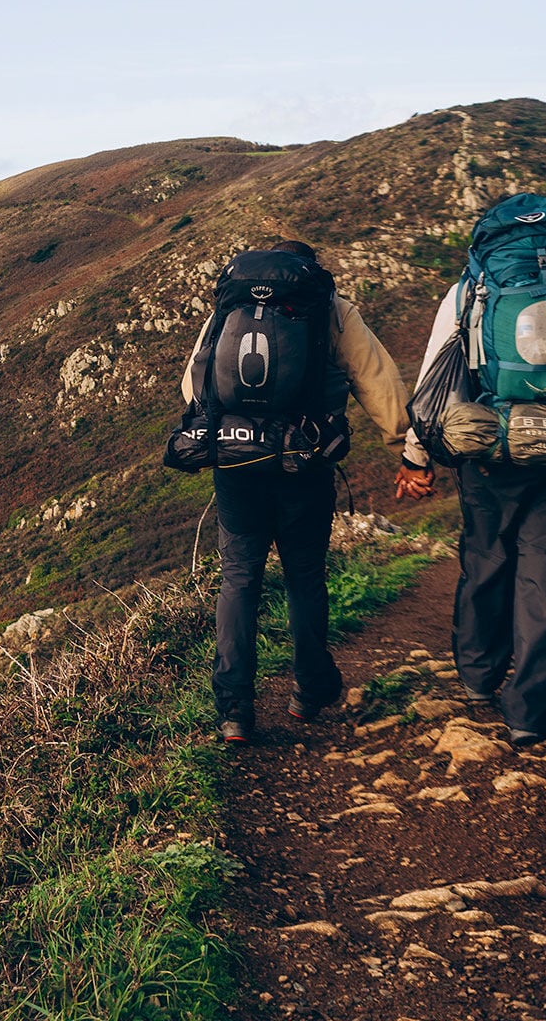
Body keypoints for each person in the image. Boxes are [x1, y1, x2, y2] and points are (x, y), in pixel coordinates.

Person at [394, 195, 546, 746]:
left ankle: (477, 676)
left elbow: (435, 377)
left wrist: (416, 456)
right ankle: (531, 715)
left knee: (487, 558)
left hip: (491, 449)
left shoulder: (471, 289)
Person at [180, 240, 411, 743]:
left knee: (239, 579)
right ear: (310, 270)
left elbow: (193, 384)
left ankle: (235, 710)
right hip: (303, 464)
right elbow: (377, 380)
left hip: (236, 462)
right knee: (304, 576)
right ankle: (308, 688)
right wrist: (406, 443)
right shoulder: (329, 307)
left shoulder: (233, 300)